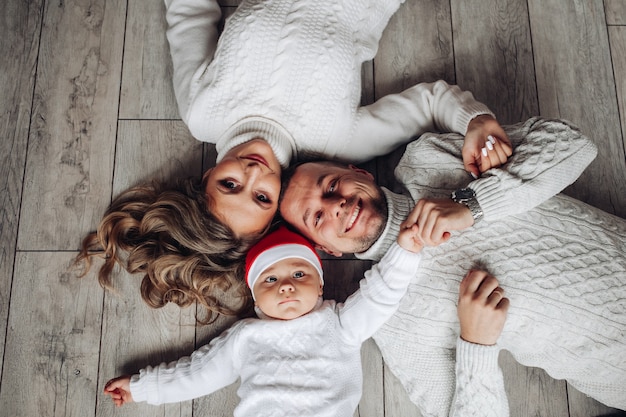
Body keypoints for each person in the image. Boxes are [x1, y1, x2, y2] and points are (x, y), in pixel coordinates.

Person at [76, 0, 511, 322]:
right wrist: (475, 119)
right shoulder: (337, 145)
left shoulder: (202, 112)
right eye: (262, 196)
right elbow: (428, 104)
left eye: (229, 185)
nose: (252, 171)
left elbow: (189, 13)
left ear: (205, 177)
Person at [279, 116, 626, 415]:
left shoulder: (428, 159)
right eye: (318, 216)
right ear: (325, 249)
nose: (336, 205)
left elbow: (574, 143)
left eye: (331, 185)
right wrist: (477, 343)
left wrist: (474, 203)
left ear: (359, 172)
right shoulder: (391, 321)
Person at [100, 225, 510, 416]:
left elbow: (379, 295)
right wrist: (144, 387)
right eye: (272, 280)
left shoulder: (339, 322)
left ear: (320, 284)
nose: (286, 287)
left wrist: (405, 251)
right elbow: (198, 374)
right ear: (255, 295)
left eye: (300, 274)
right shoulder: (246, 336)